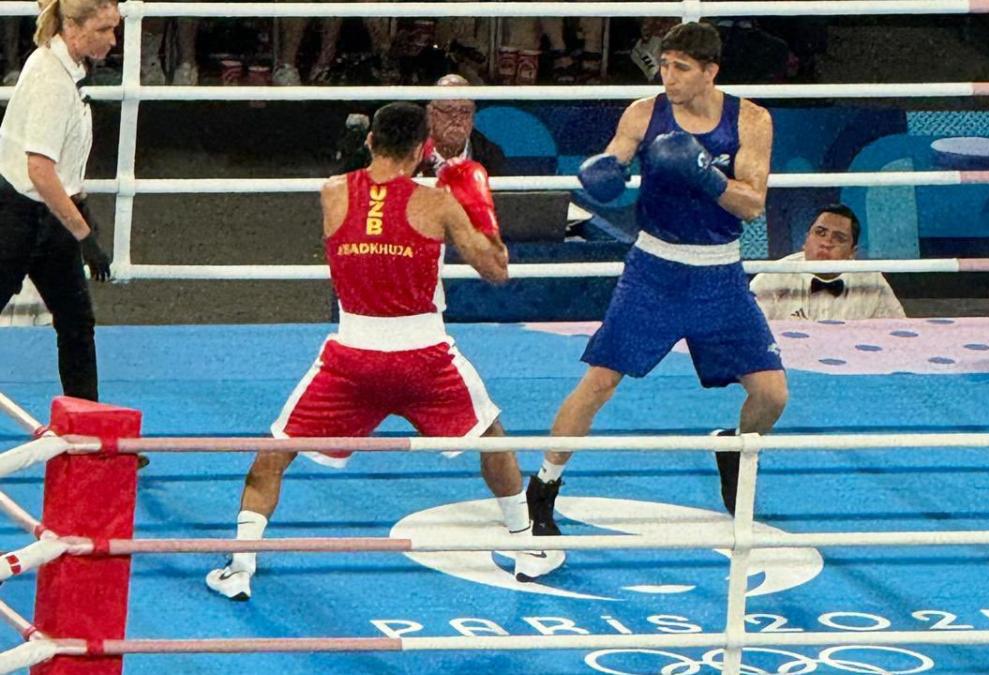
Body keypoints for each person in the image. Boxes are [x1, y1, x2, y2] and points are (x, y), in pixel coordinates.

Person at [205, 102, 563, 601]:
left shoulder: (331, 193)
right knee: (493, 440)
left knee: (274, 453)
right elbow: (497, 271)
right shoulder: (438, 201)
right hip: (424, 355)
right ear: (423, 150)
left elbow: (368, 200)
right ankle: (528, 548)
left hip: (351, 355)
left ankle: (240, 564)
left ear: (371, 140)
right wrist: (480, 208)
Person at [525, 21, 788, 531]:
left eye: (682, 68)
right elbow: (614, 159)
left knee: (772, 395)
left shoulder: (752, 120)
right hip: (654, 271)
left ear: (711, 71)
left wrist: (705, 173)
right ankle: (544, 486)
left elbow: (753, 204)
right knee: (599, 382)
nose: (668, 77)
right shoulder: (644, 113)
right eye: (664, 65)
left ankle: (732, 448)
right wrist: (603, 170)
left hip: (720, 275)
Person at [0, 0, 116, 403]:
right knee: (75, 325)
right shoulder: (51, 80)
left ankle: (89, 431)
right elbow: (40, 172)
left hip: (51, 216)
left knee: (77, 323)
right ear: (72, 26)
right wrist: (84, 234)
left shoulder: (67, 69)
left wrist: (80, 211)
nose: (112, 40)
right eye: (103, 30)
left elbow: (61, 169)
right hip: (15, 218)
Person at [751, 204, 906, 322]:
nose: (827, 242)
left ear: (853, 252)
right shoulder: (772, 277)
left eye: (839, 238)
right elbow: (748, 334)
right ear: (805, 240)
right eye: (820, 233)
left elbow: (897, 338)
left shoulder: (872, 282)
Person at [338, 74, 507, 178]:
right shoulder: (401, 144)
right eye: (447, 110)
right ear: (430, 113)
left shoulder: (490, 156)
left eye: (465, 111)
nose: (456, 119)